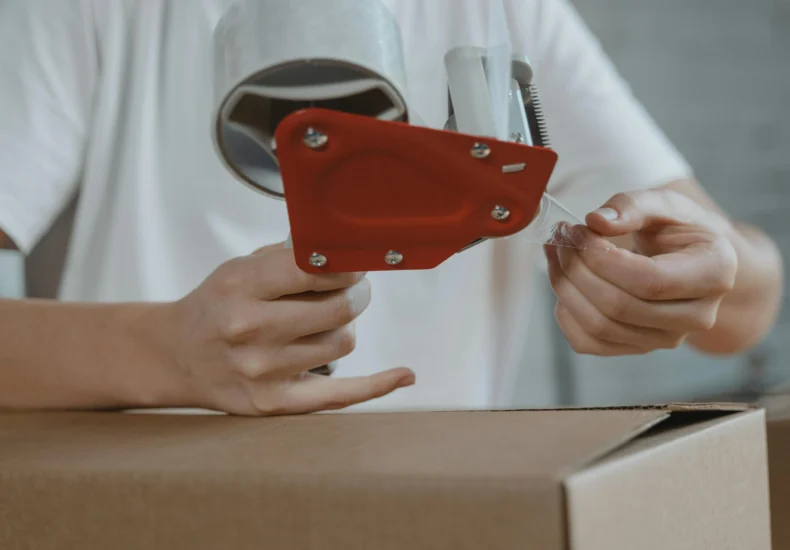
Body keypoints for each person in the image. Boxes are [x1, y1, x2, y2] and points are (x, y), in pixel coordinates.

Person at [0, 0, 782, 415]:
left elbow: (750, 305)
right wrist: (167, 351)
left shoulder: (503, 15)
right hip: (141, 509)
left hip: (432, 512)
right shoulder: (89, 10)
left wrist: (703, 273)